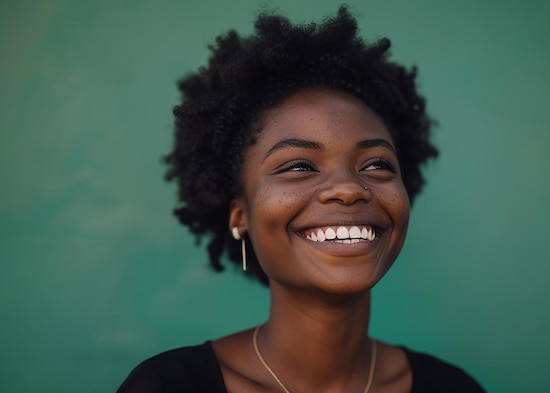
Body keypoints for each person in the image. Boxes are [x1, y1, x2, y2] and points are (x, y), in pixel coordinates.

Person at [117, 6, 485, 393]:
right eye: (298, 166)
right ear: (239, 216)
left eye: (376, 163)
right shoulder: (169, 387)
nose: (348, 188)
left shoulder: (452, 388)